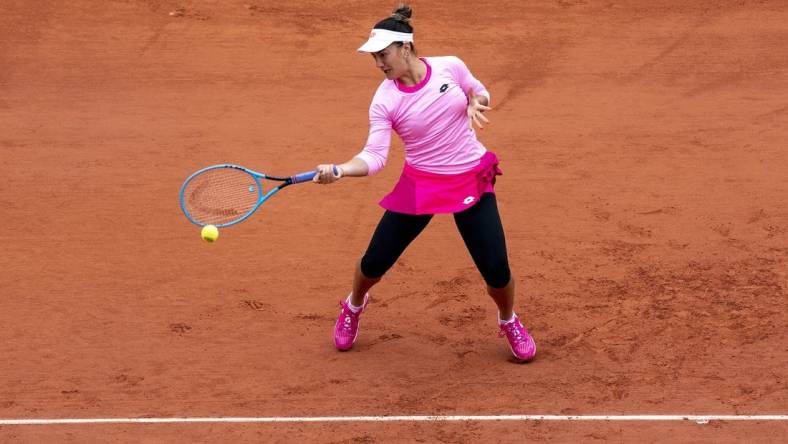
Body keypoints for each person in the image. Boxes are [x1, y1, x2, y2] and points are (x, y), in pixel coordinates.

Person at [313, 4, 536, 362]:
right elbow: (374, 157)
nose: (379, 64)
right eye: (374, 58)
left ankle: (508, 319)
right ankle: (354, 305)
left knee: (497, 270)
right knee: (374, 263)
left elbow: (480, 92)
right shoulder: (384, 100)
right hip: (421, 185)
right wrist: (340, 169)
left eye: (383, 55)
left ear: (405, 47)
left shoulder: (451, 65)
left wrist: (475, 102)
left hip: (469, 178)